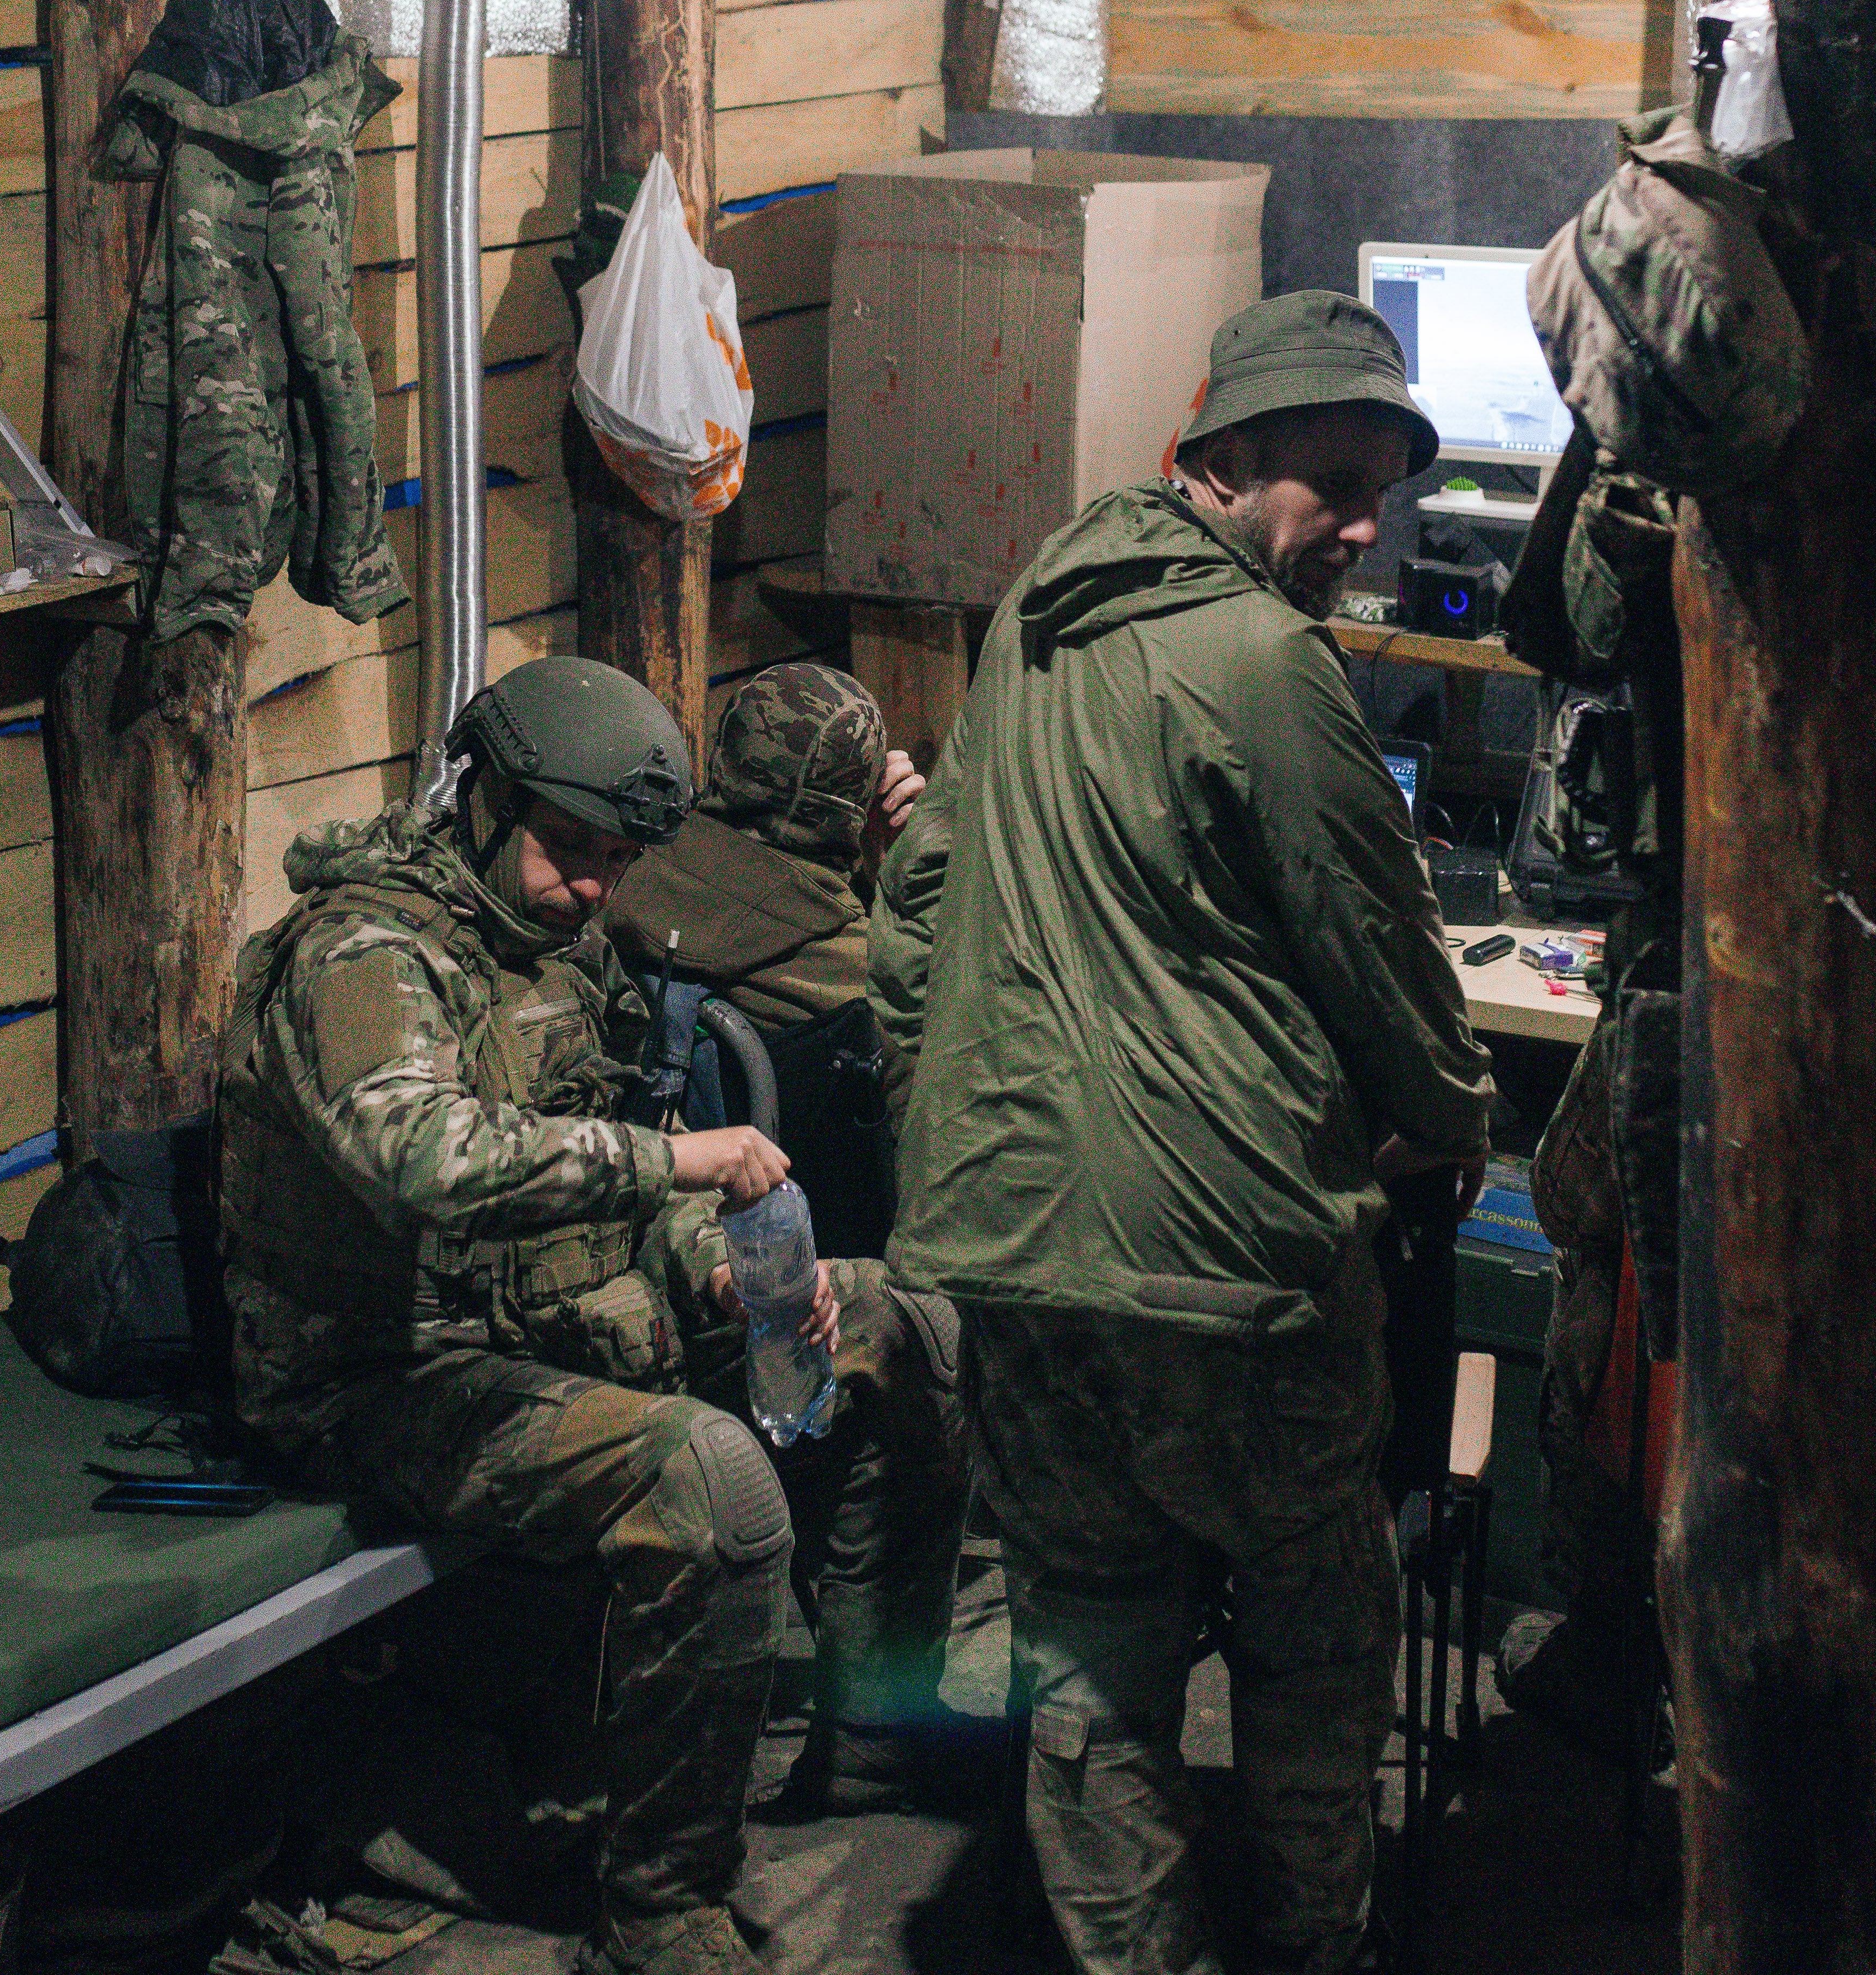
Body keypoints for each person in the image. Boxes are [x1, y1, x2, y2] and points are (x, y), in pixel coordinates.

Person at [875, 290, 1500, 1975]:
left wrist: (940, 1127)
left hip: (1014, 1245)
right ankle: (1313, 1947)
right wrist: (1451, 1116)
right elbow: (1373, 948)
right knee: (1312, 1629)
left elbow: (919, 908)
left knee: (1086, 1639)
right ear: (1216, 465)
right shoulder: (1268, 662)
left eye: (1385, 491)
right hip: (1227, 1271)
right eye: (1331, 486)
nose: (1364, 532)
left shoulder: (1040, 611)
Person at [215, 655, 958, 1975]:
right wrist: (680, 1173)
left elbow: (626, 1134)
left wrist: (712, 1264)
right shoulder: (362, 953)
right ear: (483, 800)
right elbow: (424, 1155)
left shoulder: (556, 948)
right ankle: (662, 1902)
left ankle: (873, 1725)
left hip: (546, 1326)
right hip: (385, 1379)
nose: (594, 885)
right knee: (715, 1481)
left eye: (619, 857)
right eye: (569, 847)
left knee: (901, 1323)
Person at [600, 660, 925, 1258]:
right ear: (850, 802)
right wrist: (898, 862)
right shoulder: (851, 961)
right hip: (822, 1262)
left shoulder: (620, 875)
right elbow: (948, 1013)